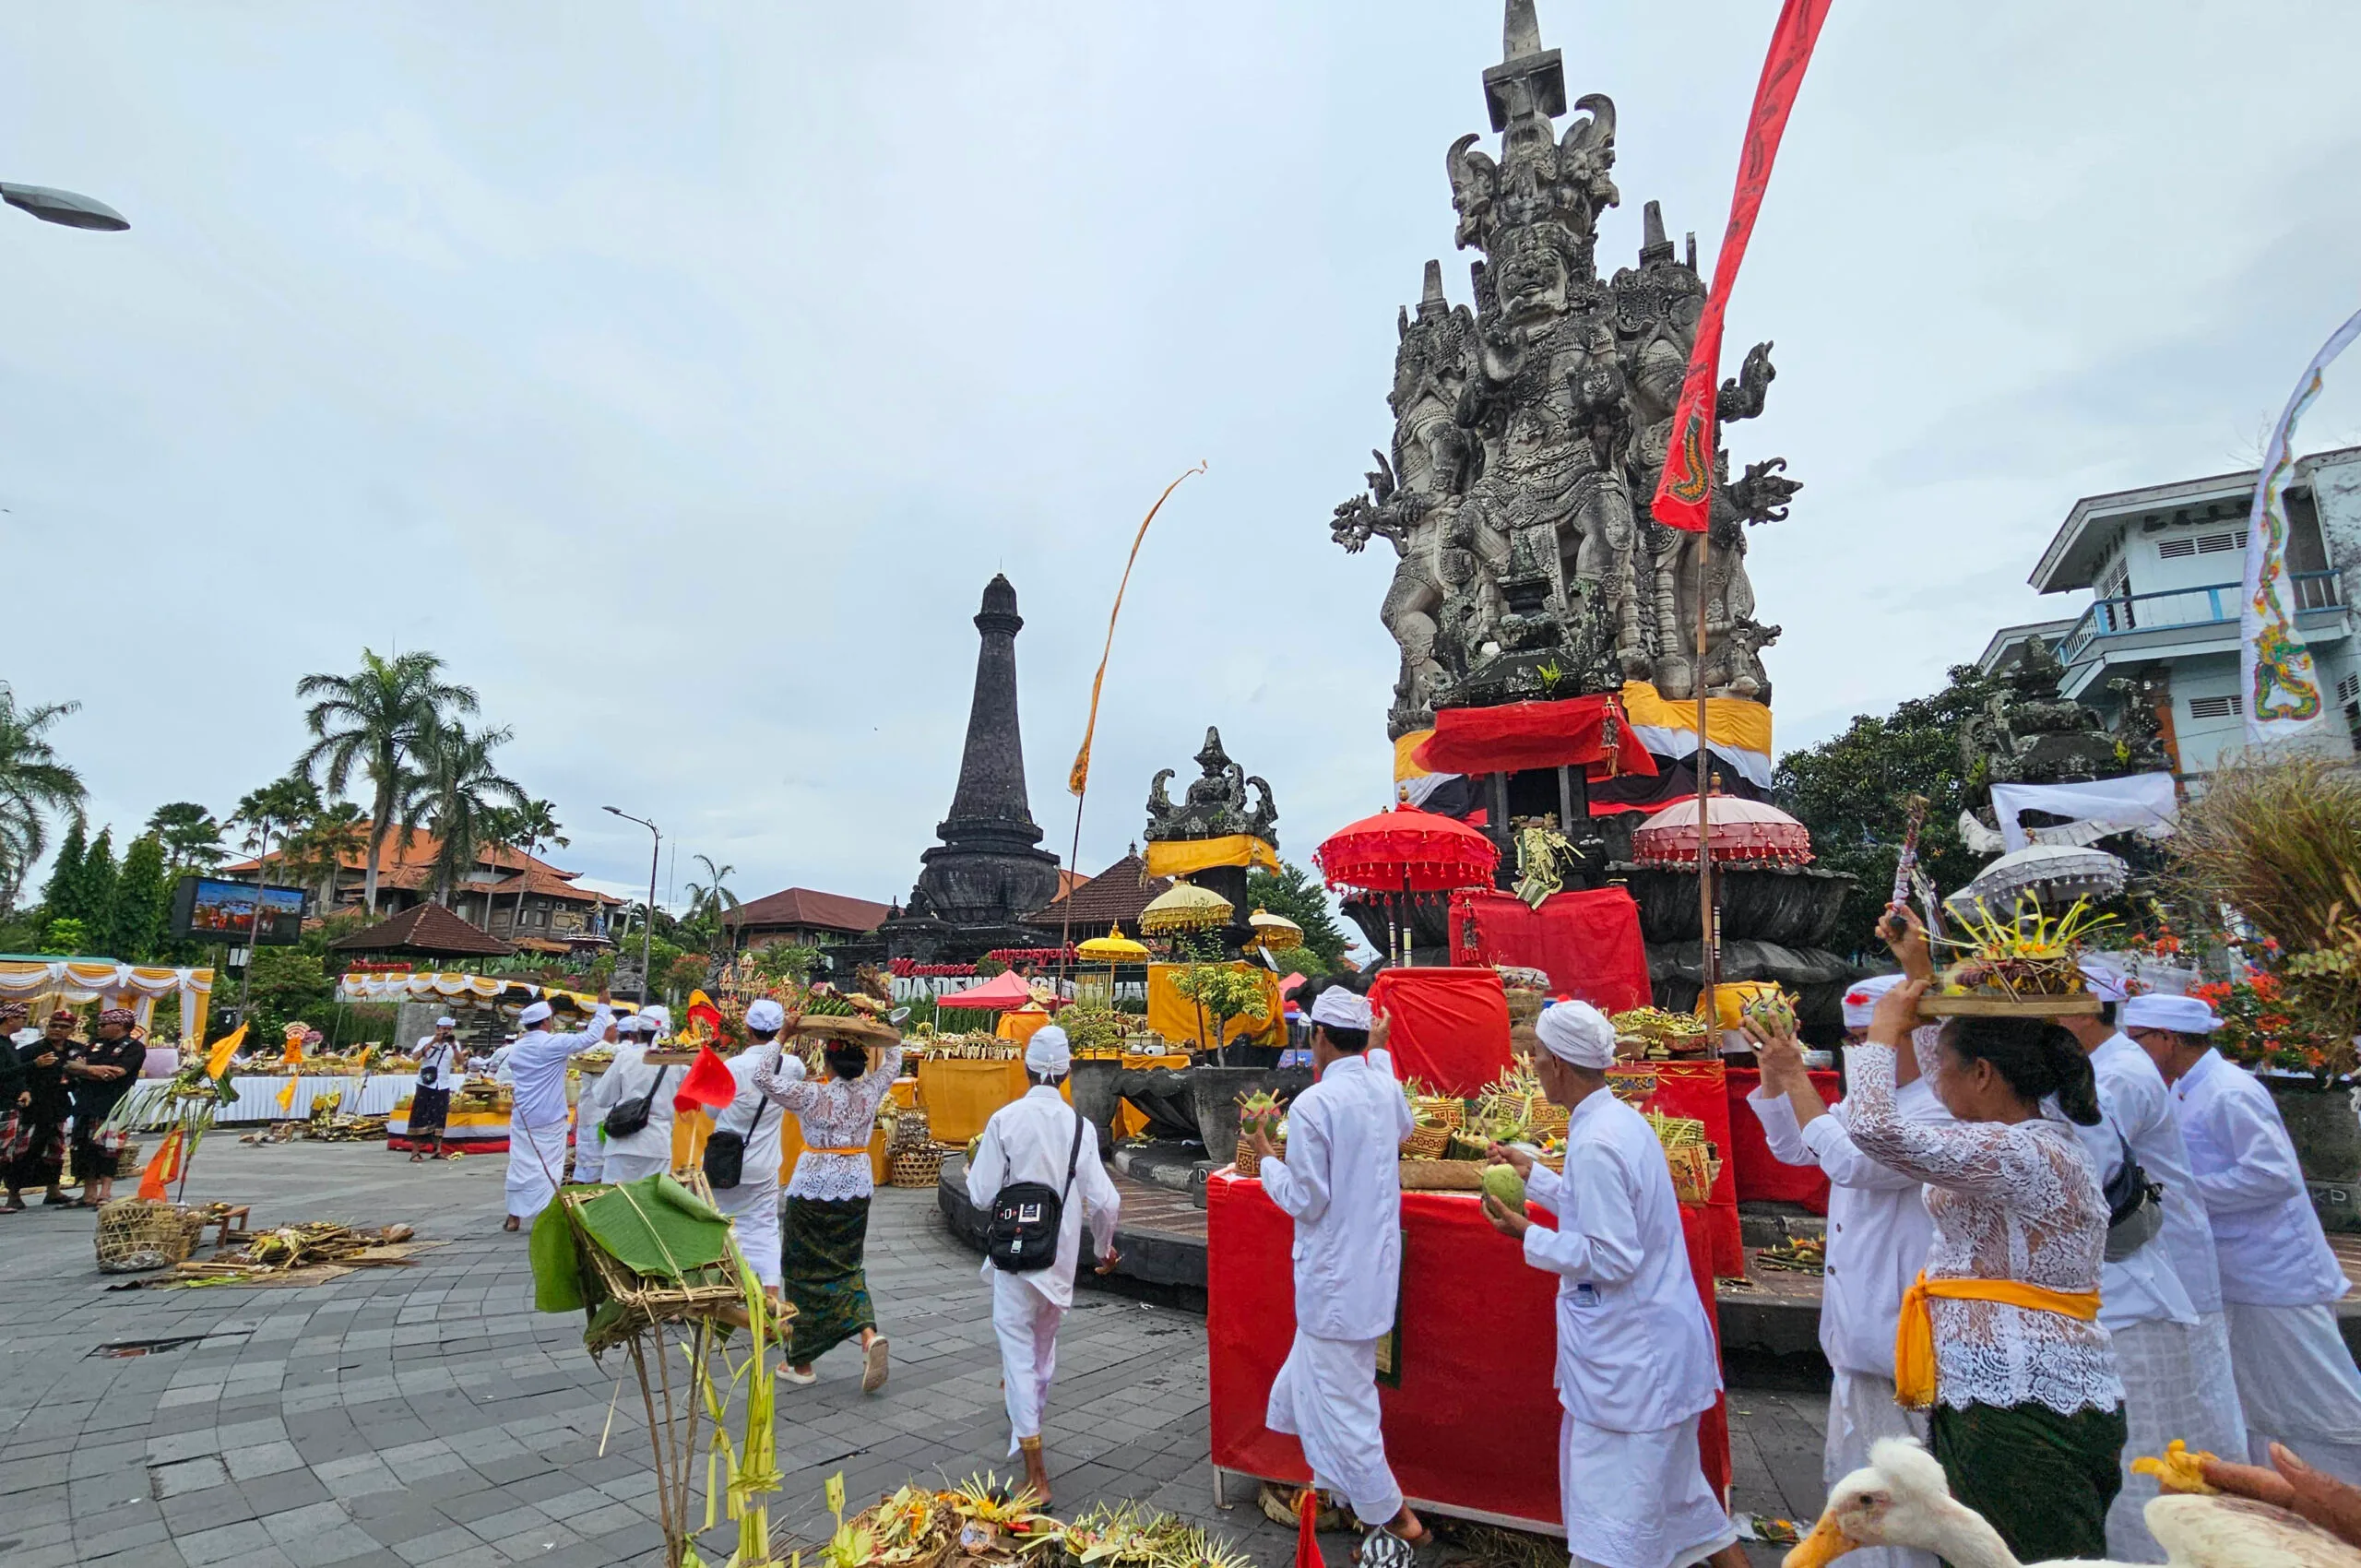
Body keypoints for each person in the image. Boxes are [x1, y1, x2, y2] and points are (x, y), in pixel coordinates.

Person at [1843, 974, 2124, 1564]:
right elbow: (1942, 1061)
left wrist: (1881, 1037)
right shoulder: (2007, 1139)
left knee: (2030, 1555)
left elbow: (1872, 1130)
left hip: (2024, 1397)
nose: (1930, 1078)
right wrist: (1920, 976)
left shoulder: (2023, 1152)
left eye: (1941, 1067)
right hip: (1992, 1390)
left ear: (1983, 1074)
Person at [1485, 1000, 1743, 1568]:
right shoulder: (1615, 1121)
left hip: (1632, 1367)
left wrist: (1526, 1234)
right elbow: (1604, 1210)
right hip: (1647, 1355)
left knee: (1613, 1536)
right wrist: (1541, 1177)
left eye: (1537, 1058)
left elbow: (1612, 1253)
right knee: (1688, 1510)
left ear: (1555, 1063)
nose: (1534, 1067)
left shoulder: (1599, 1140)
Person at [1745, 972, 1943, 1568]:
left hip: (1901, 1337)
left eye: (1874, 1038)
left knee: (1902, 1511)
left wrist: (1799, 1076)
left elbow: (1854, 1163)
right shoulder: (1869, 1101)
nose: (1864, 1054)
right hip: (1853, 1330)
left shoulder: (1937, 1107)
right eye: (1854, 1041)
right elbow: (1795, 1147)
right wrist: (1773, 1070)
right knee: (1852, 1497)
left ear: (1921, 1037)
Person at [2053, 968, 2248, 1559]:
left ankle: (2211, 1538)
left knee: (2181, 1424)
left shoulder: (2120, 1074)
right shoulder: (2108, 1066)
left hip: (2153, 1270)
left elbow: (2083, 1161)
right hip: (2139, 1268)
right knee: (2185, 1421)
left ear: (2085, 1012)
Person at [2133, 991, 2361, 1483]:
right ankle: (2293, 1503)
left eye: (2136, 1039)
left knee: (2324, 1403)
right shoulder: (2184, 1088)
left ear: (2167, 1040)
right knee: (2259, 1404)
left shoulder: (2229, 1091)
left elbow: (2274, 1175)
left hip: (2276, 1276)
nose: (2130, 1051)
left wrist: (2184, 1195)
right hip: (2237, 1272)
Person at [1252, 980, 1435, 1567]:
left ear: (1321, 1037)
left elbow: (1306, 1199)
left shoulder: (1315, 1105)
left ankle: (1396, 1517)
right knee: (1308, 1387)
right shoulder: (1382, 1090)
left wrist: (1265, 1163)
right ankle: (1330, 1493)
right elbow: (1405, 1127)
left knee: (1346, 1404)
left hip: (1333, 1281)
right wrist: (1380, 1052)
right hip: (1372, 1275)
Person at [963, 1025, 1121, 1503]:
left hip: (1013, 1251)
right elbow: (1106, 1201)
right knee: (1041, 1349)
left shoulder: (1004, 1120)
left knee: (1016, 1350)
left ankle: (1037, 1474)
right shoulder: (1080, 1127)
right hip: (1060, 1253)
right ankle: (1024, 1422)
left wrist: (974, 1170)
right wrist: (1104, 1251)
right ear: (1067, 1071)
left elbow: (982, 1195)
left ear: (1027, 1069)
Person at [753, 1014, 902, 1391]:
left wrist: (782, 1035)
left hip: (812, 1189)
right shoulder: (869, 1091)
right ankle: (868, 1334)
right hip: (856, 1187)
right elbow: (895, 1060)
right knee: (848, 1265)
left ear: (828, 1063)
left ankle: (802, 1363)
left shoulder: (811, 1094)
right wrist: (886, 1024)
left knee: (802, 1271)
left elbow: (762, 1078)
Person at [503, 995, 614, 1232]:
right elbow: (591, 1037)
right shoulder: (550, 1044)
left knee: (520, 1165)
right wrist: (603, 1007)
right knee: (550, 1167)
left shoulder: (517, 1048)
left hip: (523, 1116)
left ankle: (514, 1216)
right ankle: (548, 1215)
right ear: (546, 1022)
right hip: (549, 1117)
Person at [710, 1000, 793, 1305]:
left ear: (747, 1029)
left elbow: (709, 1111)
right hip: (765, 1161)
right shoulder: (792, 1066)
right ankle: (770, 1296)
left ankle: (728, 1287)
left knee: (725, 1221)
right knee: (765, 1226)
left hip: (726, 1160)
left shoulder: (730, 1068)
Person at [63, 1007, 145, 1206]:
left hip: (113, 1105)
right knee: (83, 1147)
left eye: (103, 1025)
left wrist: (84, 1070)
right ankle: (88, 1193)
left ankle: (105, 1193)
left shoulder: (133, 1047)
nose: (99, 1028)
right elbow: (69, 1066)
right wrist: (92, 1069)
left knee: (108, 1150)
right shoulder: (95, 1045)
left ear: (119, 1026)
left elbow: (116, 1073)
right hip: (86, 1103)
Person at [6, 1009, 77, 1210]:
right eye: (53, 1026)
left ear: (72, 1030)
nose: (57, 1030)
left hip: (59, 1107)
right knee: (23, 1152)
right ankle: (14, 1194)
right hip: (33, 1108)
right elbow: (17, 1077)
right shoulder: (31, 1050)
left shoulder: (76, 1050)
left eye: (63, 1027)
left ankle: (53, 1190)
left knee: (55, 1151)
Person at [597, 1014, 681, 1184]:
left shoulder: (625, 1057)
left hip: (621, 1142)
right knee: (650, 1206)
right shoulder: (679, 1063)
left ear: (639, 1032)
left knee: (615, 1202)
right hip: (657, 1145)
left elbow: (602, 1098)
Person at [409, 1016, 466, 1163]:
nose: (446, 1032)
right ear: (437, 1028)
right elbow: (415, 1057)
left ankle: (437, 1150)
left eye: (449, 1029)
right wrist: (434, 1041)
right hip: (426, 1083)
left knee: (440, 1117)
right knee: (420, 1115)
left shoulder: (453, 1044)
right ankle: (415, 1151)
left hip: (443, 1084)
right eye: (443, 1029)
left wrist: (453, 1045)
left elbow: (460, 1062)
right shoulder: (425, 1040)